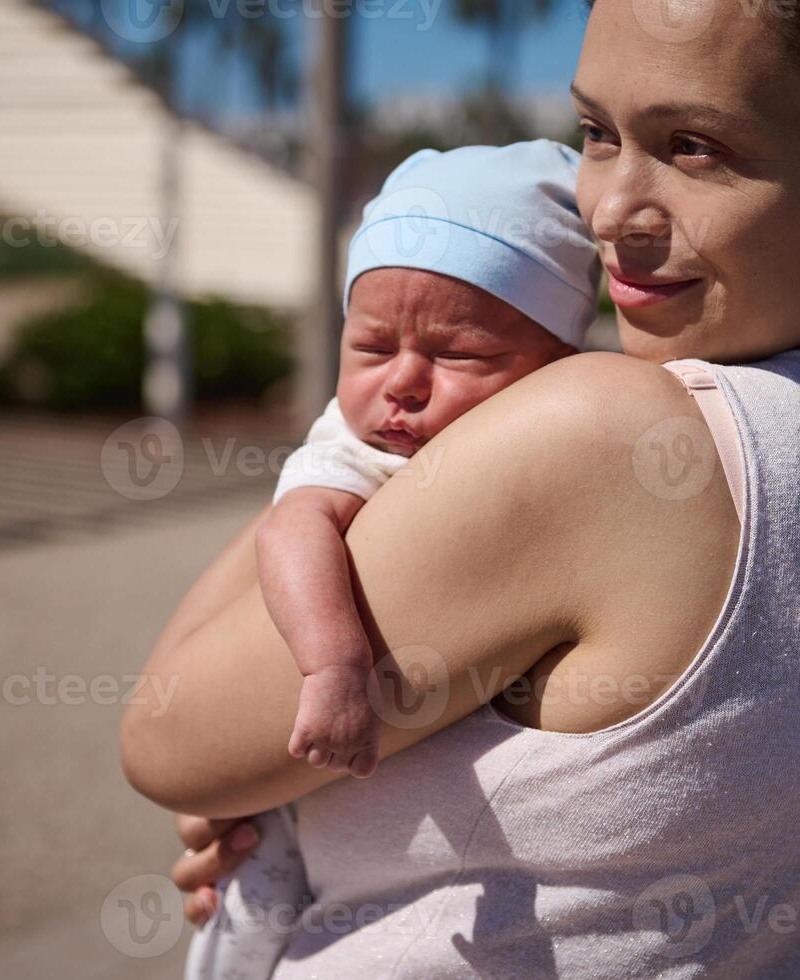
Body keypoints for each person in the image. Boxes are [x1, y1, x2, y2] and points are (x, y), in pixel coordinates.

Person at [124, 1, 800, 976]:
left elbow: (168, 735)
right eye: (597, 133)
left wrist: (333, 459)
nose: (612, 210)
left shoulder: (615, 439)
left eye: (695, 147)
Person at [182, 139, 598, 980]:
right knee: (247, 911)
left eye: (458, 355)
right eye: (371, 347)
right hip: (304, 771)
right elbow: (294, 529)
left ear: (557, 365)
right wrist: (334, 668)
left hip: (433, 834)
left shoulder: (567, 432)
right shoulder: (355, 450)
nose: (403, 381)